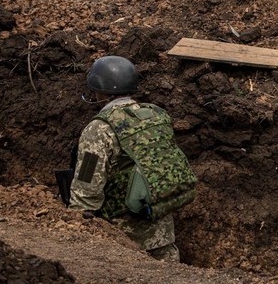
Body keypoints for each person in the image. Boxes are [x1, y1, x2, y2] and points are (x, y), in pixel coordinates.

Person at [69, 56, 196, 262]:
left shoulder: (99, 129)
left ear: (100, 89)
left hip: (123, 243)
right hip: (164, 239)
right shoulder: (156, 115)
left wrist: (73, 228)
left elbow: (87, 189)